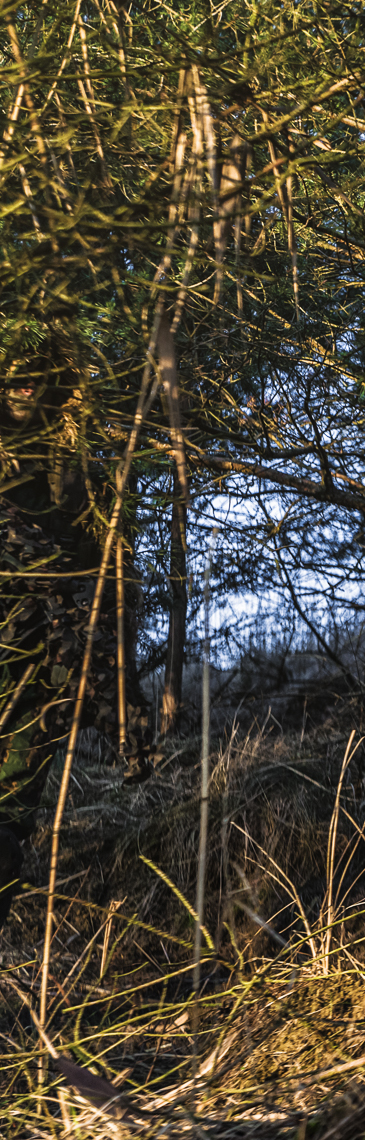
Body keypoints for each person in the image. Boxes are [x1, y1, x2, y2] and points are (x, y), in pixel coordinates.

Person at [0, 341, 151, 923]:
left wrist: (116, 684)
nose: (22, 386)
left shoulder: (77, 457)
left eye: (33, 374)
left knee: (9, 819)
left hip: (39, 671)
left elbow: (108, 572)